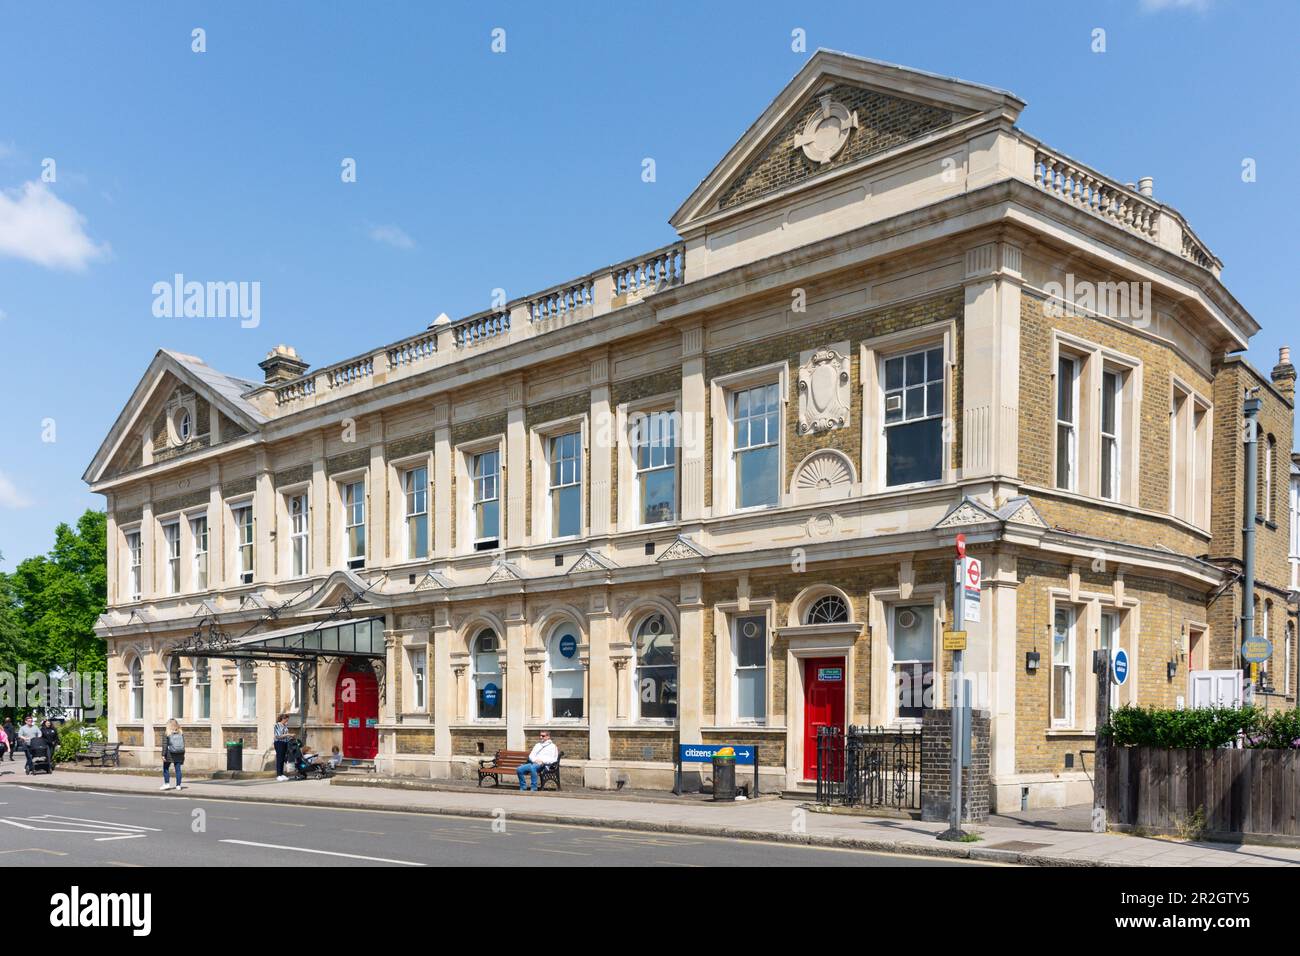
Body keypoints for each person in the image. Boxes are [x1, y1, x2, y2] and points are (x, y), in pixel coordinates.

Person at [160, 718, 185, 791]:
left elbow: (164, 745)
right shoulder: (180, 732)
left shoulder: (167, 733)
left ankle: (167, 784)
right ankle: (178, 785)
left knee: (166, 768)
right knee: (178, 770)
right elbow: (183, 744)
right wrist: (183, 754)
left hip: (169, 753)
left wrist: (163, 755)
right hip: (179, 753)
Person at [273, 714, 292, 781]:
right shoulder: (277, 725)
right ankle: (278, 775)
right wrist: (288, 734)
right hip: (279, 743)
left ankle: (281, 774)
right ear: (283, 719)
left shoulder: (285, 725)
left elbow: (286, 735)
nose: (287, 720)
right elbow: (278, 736)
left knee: (283, 758)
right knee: (279, 758)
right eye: (287, 719)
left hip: (285, 743)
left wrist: (290, 737)